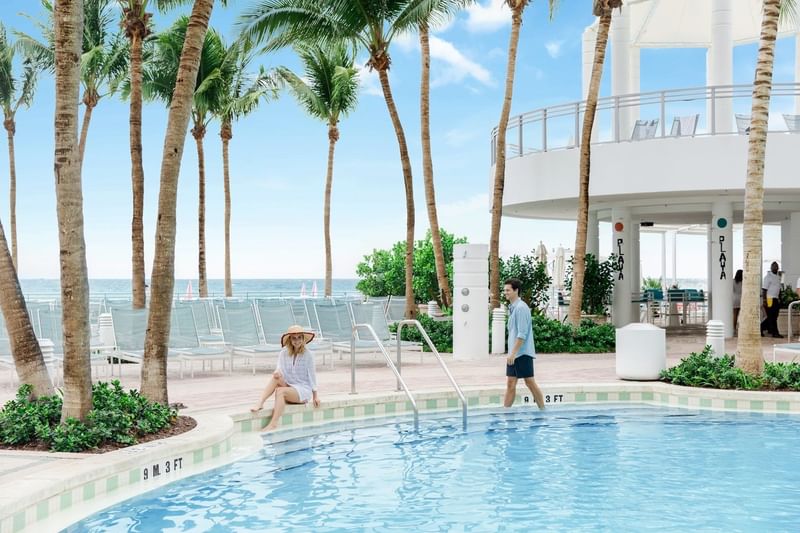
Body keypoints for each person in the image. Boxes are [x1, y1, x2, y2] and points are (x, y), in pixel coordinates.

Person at [251, 325, 320, 431]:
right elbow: (279, 368)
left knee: (280, 391)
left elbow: (312, 376)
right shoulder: (283, 353)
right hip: (290, 385)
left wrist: (315, 396)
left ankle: (273, 423)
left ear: (303, 339)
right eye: (294, 338)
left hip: (303, 390)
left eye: (299, 338)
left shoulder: (308, 355)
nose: (297, 341)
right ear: (290, 339)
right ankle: (260, 402)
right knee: (276, 378)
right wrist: (277, 373)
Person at [503, 278, 545, 409]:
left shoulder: (521, 308)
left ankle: (543, 410)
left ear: (516, 290)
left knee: (529, 382)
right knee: (511, 383)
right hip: (514, 353)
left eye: (508, 290)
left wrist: (513, 353)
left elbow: (522, 334)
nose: (505, 293)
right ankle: (506, 412)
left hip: (521, 353)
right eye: (504, 290)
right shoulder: (512, 308)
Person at [761, 261, 784, 338]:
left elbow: (779, 289)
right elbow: (764, 289)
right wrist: (764, 301)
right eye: (774, 266)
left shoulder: (778, 277)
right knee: (771, 316)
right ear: (771, 267)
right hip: (769, 299)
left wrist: (780, 298)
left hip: (776, 299)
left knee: (774, 316)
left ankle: (761, 328)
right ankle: (775, 333)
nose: (776, 267)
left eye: (777, 266)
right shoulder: (768, 277)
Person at [732, 269, 742, 335]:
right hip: (741, 298)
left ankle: (734, 329)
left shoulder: (733, 281)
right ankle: (740, 328)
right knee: (741, 315)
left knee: (735, 315)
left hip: (735, 298)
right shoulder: (743, 282)